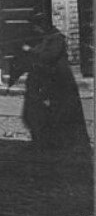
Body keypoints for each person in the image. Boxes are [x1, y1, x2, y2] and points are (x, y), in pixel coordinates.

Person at [8, 15, 90, 150]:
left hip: (61, 81)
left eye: (37, 27)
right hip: (49, 80)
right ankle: (50, 142)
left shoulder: (57, 38)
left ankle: (70, 143)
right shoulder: (46, 38)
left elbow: (48, 56)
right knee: (47, 113)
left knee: (65, 113)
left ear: (43, 26)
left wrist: (29, 50)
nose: (36, 31)